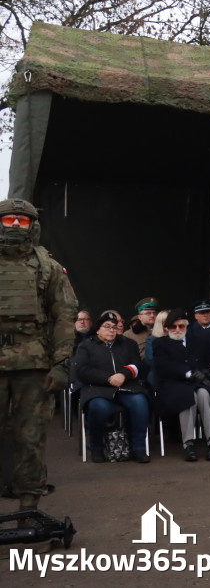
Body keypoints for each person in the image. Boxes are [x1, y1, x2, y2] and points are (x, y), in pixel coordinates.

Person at [0, 198, 78, 510]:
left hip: (33, 364)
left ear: (33, 225)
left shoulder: (48, 267)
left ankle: (29, 510)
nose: (16, 225)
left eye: (22, 220)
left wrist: (61, 363)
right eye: (9, 220)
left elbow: (64, 316)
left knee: (29, 437)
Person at [73, 311, 151, 463]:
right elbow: (81, 371)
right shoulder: (86, 346)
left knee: (140, 402)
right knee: (99, 407)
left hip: (127, 387)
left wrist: (123, 374)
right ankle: (96, 448)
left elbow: (138, 365)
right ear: (98, 330)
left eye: (114, 327)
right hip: (98, 389)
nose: (111, 330)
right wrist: (108, 378)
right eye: (107, 326)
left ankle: (138, 448)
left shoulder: (129, 344)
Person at [152, 308, 210, 461]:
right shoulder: (160, 344)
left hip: (199, 383)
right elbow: (164, 366)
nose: (177, 330)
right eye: (173, 326)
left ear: (186, 327)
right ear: (166, 328)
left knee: (204, 394)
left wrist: (206, 372)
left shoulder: (198, 341)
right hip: (173, 384)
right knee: (187, 396)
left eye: (181, 326)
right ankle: (188, 443)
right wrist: (188, 373)